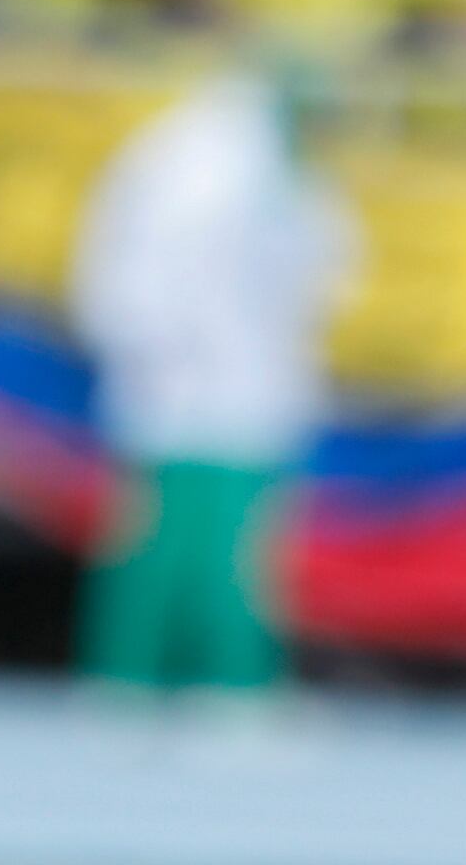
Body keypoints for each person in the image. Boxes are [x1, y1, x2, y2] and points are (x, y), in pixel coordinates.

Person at [66, 65, 355, 689]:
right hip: (182, 386)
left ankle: (226, 680)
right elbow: (140, 279)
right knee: (171, 550)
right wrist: (171, 355)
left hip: (244, 391)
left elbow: (323, 274)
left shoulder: (285, 170)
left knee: (240, 555)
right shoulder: (195, 164)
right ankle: (144, 675)